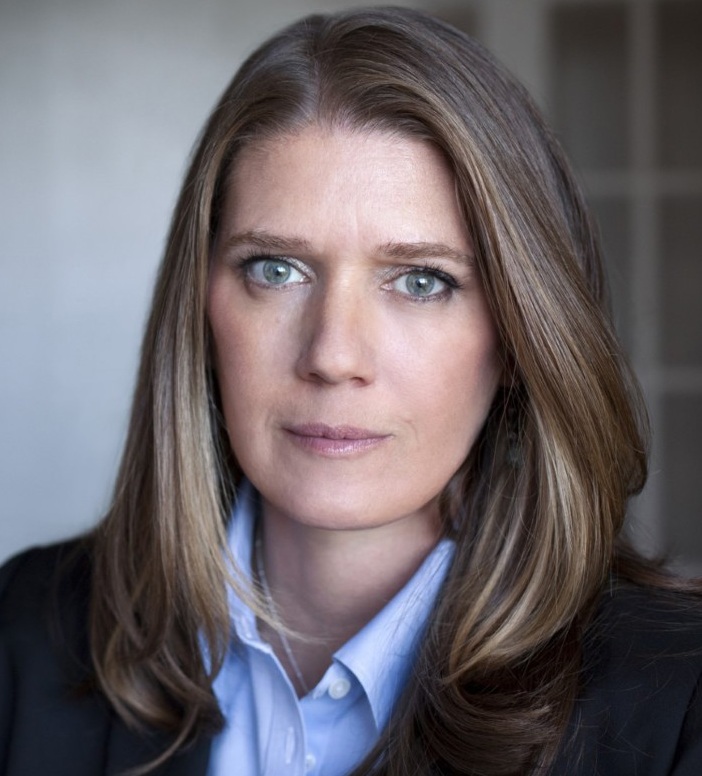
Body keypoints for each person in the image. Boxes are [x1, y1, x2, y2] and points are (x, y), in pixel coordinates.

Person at [1, 6, 701, 776]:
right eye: (276, 270)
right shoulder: (25, 632)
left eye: (422, 281)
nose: (333, 356)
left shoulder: (680, 699)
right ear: (199, 309)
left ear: (516, 336)